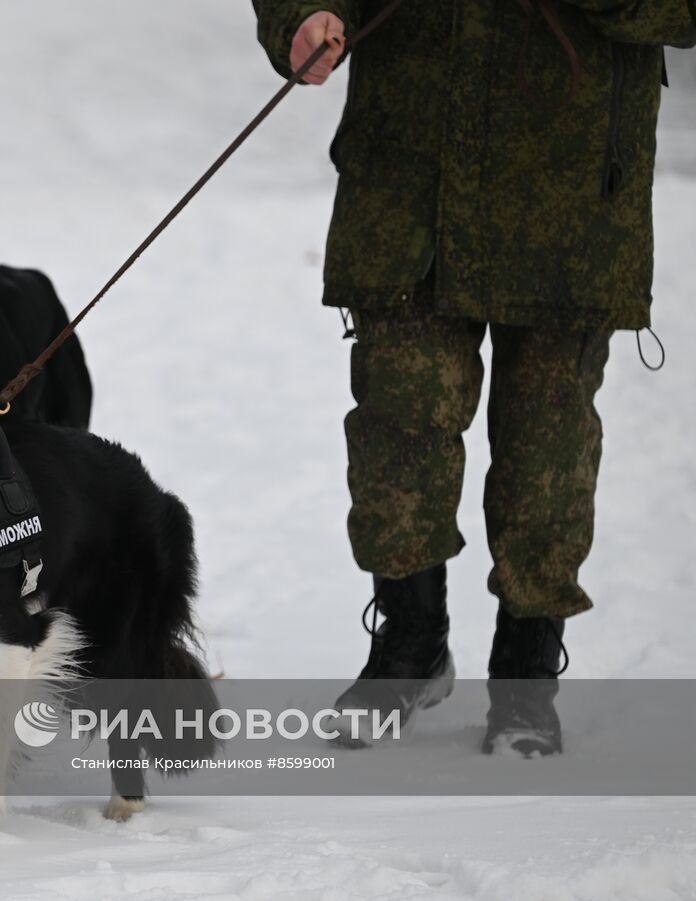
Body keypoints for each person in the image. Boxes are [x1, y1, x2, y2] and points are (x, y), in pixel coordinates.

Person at [252, 1, 694, 754]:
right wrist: (305, 14)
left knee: (546, 444)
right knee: (400, 414)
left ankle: (526, 673)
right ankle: (411, 643)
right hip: (410, 172)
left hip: (576, 189)